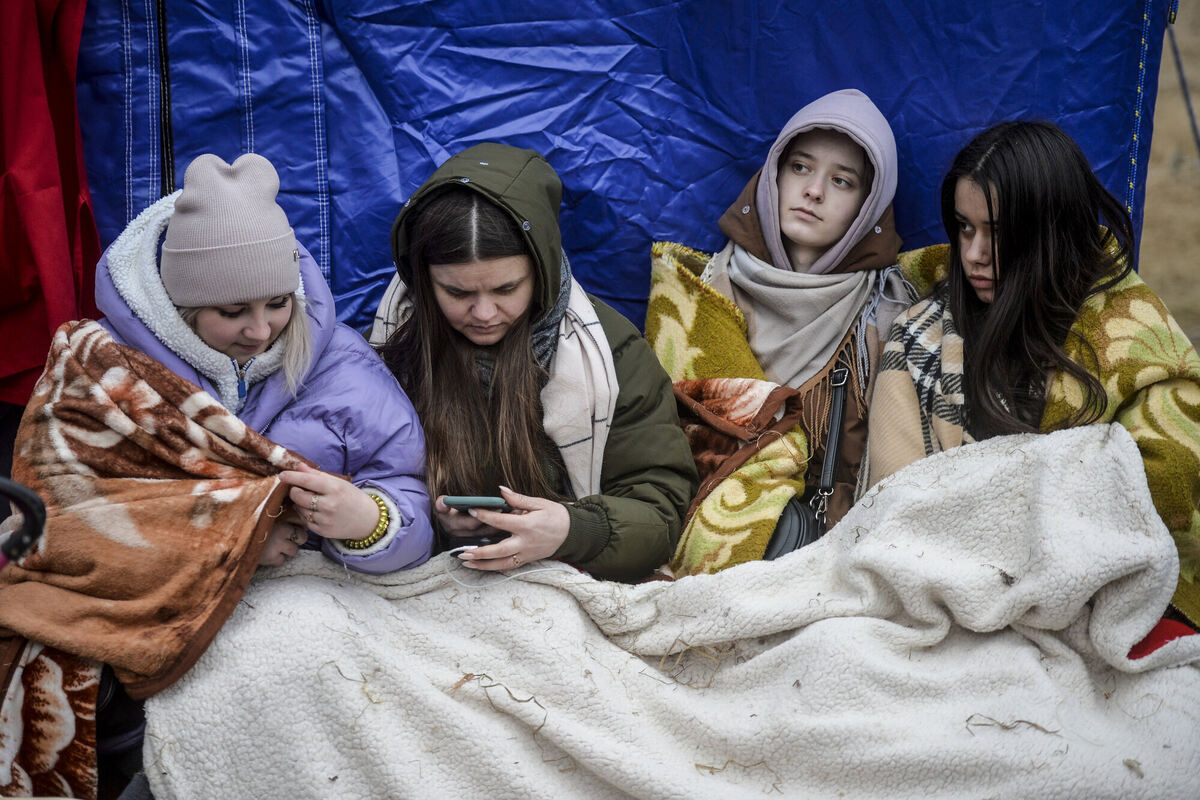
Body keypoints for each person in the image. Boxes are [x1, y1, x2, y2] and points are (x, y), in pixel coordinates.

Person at [866, 121, 1200, 625]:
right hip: (937, 594)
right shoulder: (921, 335)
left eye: (998, 233)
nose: (973, 255)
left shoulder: (1134, 339)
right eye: (964, 228)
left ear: (1051, 231)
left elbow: (1166, 490)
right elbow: (892, 510)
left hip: (1096, 604)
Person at [371, 142, 697, 582]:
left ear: (540, 270)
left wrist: (572, 530)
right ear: (424, 281)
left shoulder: (611, 352)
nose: (484, 313)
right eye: (457, 292)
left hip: (566, 577)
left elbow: (659, 510)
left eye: (506, 289)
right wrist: (430, 520)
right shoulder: (389, 350)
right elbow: (359, 486)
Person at [96, 153, 434, 572]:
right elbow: (64, 507)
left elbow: (405, 487)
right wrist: (235, 534)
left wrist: (371, 521)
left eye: (277, 304)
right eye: (232, 311)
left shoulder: (343, 364)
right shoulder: (106, 364)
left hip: (313, 593)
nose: (259, 331)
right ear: (180, 309)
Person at [644, 89, 914, 572]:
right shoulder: (699, 294)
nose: (814, 191)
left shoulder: (888, 313)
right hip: (697, 545)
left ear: (869, 205)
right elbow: (656, 445)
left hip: (833, 554)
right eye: (800, 167)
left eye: (842, 180)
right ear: (773, 175)